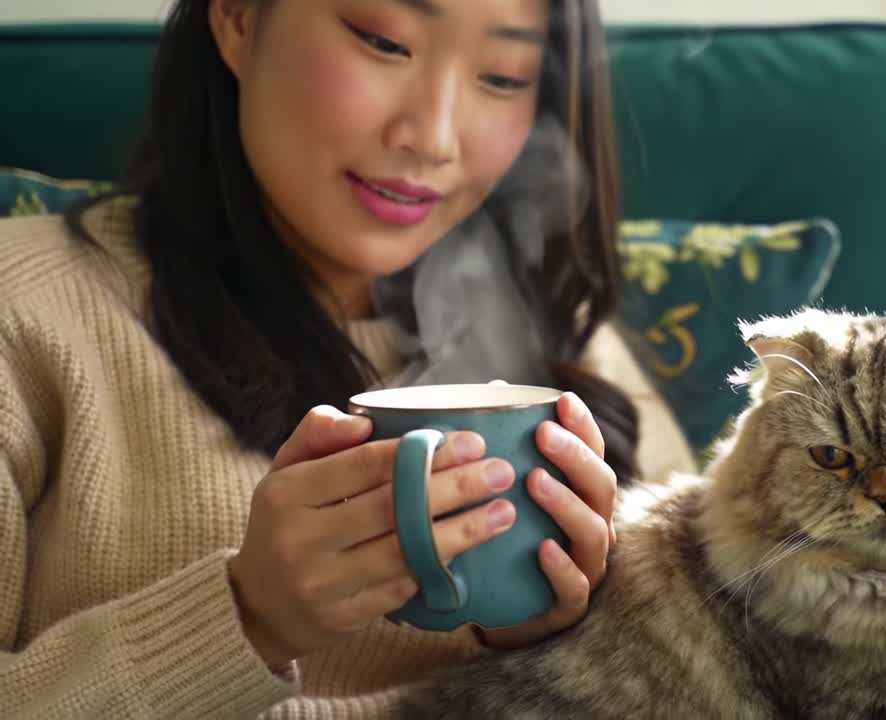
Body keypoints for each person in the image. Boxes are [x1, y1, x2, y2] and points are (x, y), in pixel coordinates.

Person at [0, 0, 694, 717]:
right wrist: (247, 617)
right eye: (384, 41)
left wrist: (545, 640)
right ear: (238, 17)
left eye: (503, 76)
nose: (432, 138)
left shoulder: (570, 346)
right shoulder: (24, 312)